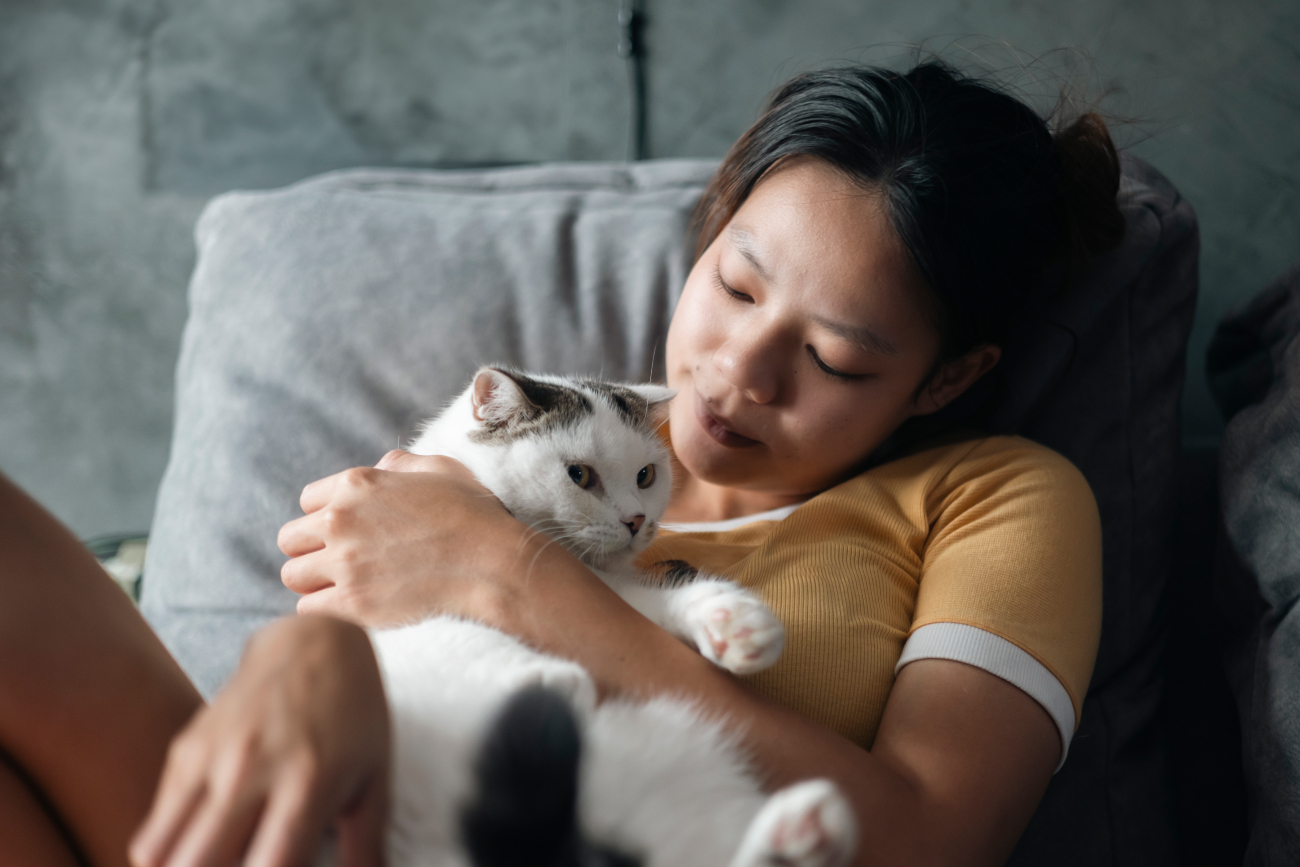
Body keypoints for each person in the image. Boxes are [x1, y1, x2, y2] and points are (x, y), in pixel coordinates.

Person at [0, 60, 1123, 867]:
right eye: (734, 287)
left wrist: (505, 576)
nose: (741, 371)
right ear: (711, 229)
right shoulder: (545, 444)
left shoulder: (998, 498)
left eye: (831, 357)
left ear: (943, 379)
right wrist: (309, 666)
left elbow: (928, 840)